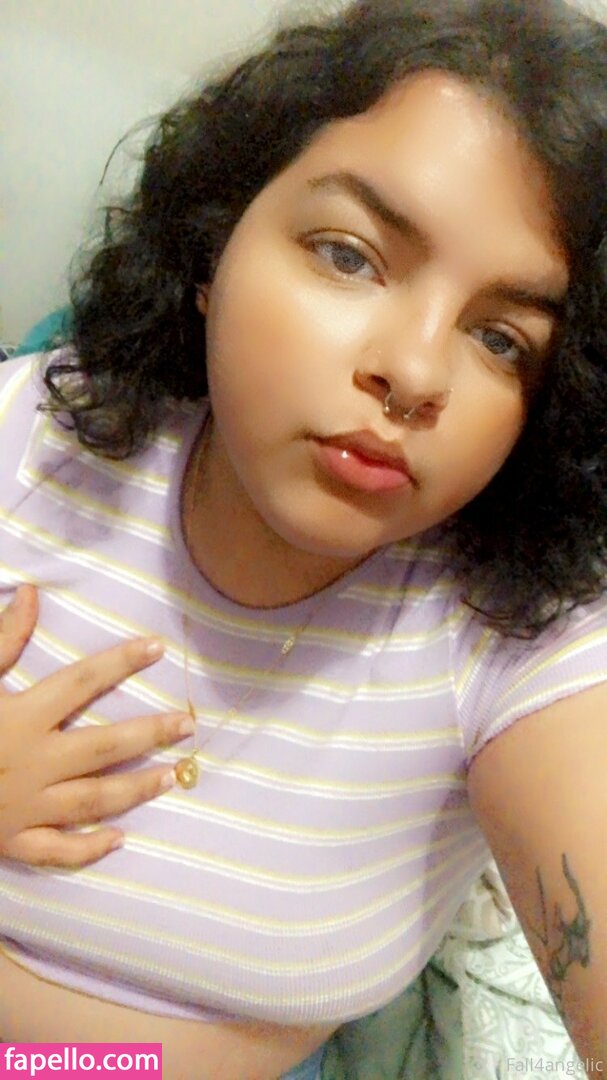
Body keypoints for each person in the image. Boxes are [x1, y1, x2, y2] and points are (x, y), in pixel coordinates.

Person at [0, 0, 606, 1076]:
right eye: (349, 255)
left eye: (499, 338)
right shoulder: (28, 442)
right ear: (213, 243)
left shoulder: (518, 632)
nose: (413, 373)